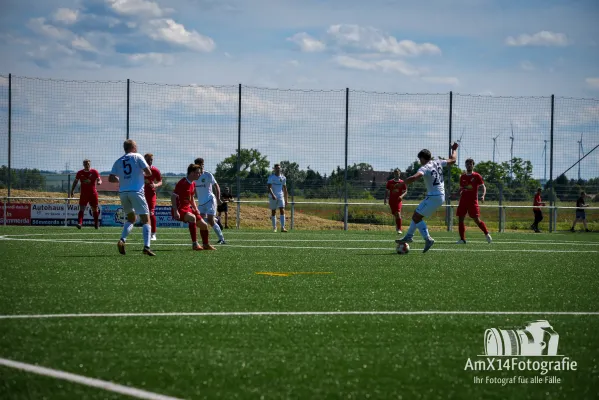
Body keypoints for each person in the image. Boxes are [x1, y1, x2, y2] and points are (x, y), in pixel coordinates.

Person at [396, 143, 458, 253]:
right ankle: (409, 236)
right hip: (439, 196)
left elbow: (415, 177)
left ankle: (428, 239)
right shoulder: (438, 162)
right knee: (416, 215)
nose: (420, 161)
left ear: (423, 158)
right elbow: (453, 160)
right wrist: (454, 150)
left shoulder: (425, 167)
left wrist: (402, 183)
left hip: (434, 196)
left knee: (416, 217)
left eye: (420, 159)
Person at [109, 139, 155, 256]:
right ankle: (146, 247)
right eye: (136, 146)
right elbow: (148, 172)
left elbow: (111, 178)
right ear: (133, 147)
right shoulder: (137, 156)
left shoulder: (119, 161)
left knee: (131, 218)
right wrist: (139, 174)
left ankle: (122, 240)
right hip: (136, 191)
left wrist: (121, 179)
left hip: (123, 192)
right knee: (146, 219)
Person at [171, 164, 216, 251]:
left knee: (204, 225)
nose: (199, 175)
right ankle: (195, 244)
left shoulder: (192, 183)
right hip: (180, 209)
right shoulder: (182, 183)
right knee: (192, 218)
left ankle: (206, 244)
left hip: (188, 208)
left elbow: (191, 198)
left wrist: (195, 209)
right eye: (197, 173)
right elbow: (173, 196)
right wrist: (176, 211)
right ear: (192, 173)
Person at [456, 158, 492, 244]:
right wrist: (455, 194)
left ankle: (486, 234)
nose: (469, 165)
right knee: (460, 219)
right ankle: (462, 239)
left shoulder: (477, 176)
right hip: (463, 201)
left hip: (473, 202)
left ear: (473, 165)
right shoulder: (463, 176)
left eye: (470, 164)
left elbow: (483, 186)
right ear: (465, 165)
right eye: (467, 164)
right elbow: (461, 189)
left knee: (476, 220)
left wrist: (483, 195)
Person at [193, 157, 226, 244]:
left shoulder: (208, 175)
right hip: (201, 202)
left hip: (210, 200)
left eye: (202, 165)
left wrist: (218, 198)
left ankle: (222, 239)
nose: (201, 167)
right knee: (200, 221)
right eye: (199, 165)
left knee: (210, 221)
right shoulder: (194, 176)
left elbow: (216, 186)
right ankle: (216, 220)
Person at [70, 159, 102, 229]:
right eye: (85, 164)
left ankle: (96, 224)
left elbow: (99, 179)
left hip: (93, 194)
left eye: (88, 164)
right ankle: (80, 223)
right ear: (83, 165)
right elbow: (75, 181)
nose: (87, 165)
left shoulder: (94, 172)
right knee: (82, 209)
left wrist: (99, 182)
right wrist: (72, 190)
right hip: (84, 194)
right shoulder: (80, 173)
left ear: (90, 164)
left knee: (95, 209)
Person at [143, 153, 162, 241]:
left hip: (151, 195)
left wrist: (155, 185)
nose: (150, 161)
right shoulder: (139, 170)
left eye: (151, 160)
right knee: (143, 214)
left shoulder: (155, 170)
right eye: (148, 160)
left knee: (151, 213)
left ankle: (153, 234)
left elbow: (160, 181)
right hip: (141, 194)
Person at [384, 168, 407, 234]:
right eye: (395, 173)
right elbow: (386, 191)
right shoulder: (390, 182)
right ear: (394, 174)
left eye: (398, 173)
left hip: (398, 201)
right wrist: (385, 199)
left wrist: (401, 196)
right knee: (395, 214)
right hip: (391, 201)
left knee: (398, 214)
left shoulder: (402, 182)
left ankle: (399, 229)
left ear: (400, 174)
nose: (397, 174)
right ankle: (397, 225)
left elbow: (405, 191)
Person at [267, 163, 289, 232]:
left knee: (282, 210)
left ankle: (282, 227)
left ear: (280, 169)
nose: (278, 169)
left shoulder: (283, 178)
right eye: (276, 168)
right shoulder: (271, 177)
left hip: (280, 196)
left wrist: (286, 199)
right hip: (272, 196)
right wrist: (273, 195)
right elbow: (269, 187)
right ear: (274, 169)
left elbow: (285, 189)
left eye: (279, 168)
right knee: (273, 211)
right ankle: (274, 227)